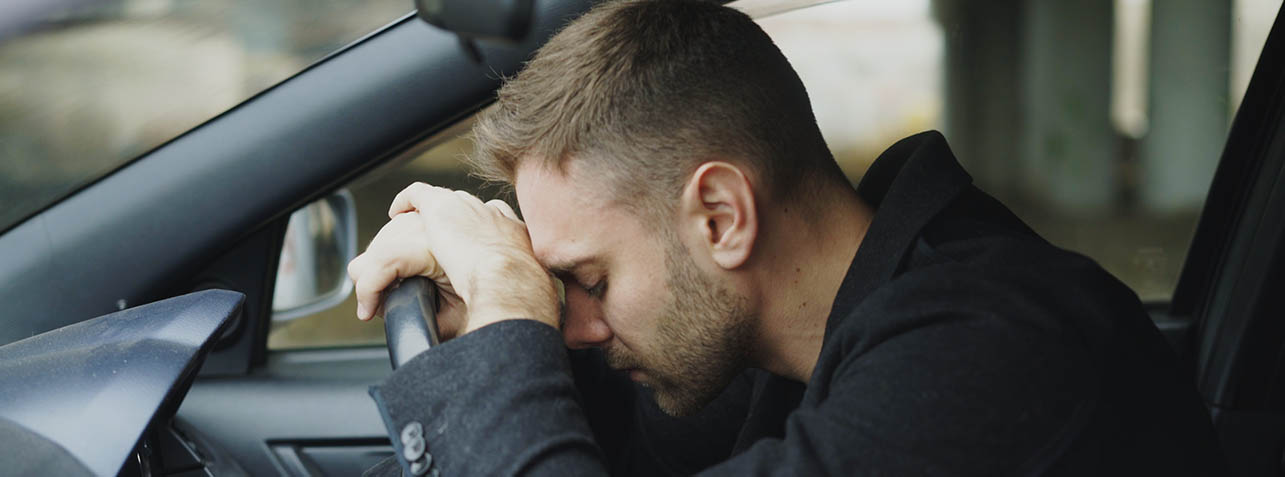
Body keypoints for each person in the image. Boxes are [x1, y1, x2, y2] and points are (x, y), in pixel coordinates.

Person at [345, 1, 1226, 475]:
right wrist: (501, 321)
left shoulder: (989, 354)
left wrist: (507, 319)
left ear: (721, 217)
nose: (575, 324)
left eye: (593, 280)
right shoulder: (778, 344)